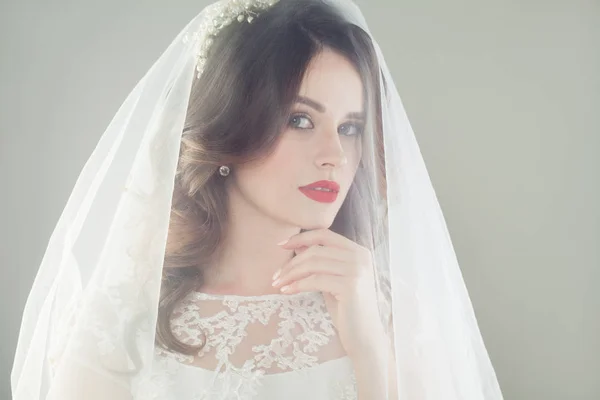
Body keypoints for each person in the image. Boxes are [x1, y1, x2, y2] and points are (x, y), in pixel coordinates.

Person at [11, 0, 504, 399]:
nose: (334, 155)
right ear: (232, 127)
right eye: (300, 120)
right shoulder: (124, 320)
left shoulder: (394, 314)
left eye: (350, 127)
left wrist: (370, 350)